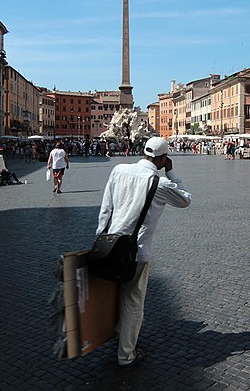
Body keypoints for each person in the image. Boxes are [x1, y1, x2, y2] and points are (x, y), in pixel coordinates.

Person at [96, 137, 191, 368]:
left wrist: (100, 238)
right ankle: (126, 354)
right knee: (133, 301)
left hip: (108, 246)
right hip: (136, 252)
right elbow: (185, 200)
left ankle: (119, 334)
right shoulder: (159, 183)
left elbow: (106, 208)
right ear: (162, 158)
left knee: (112, 292)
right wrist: (171, 173)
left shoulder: (118, 170)